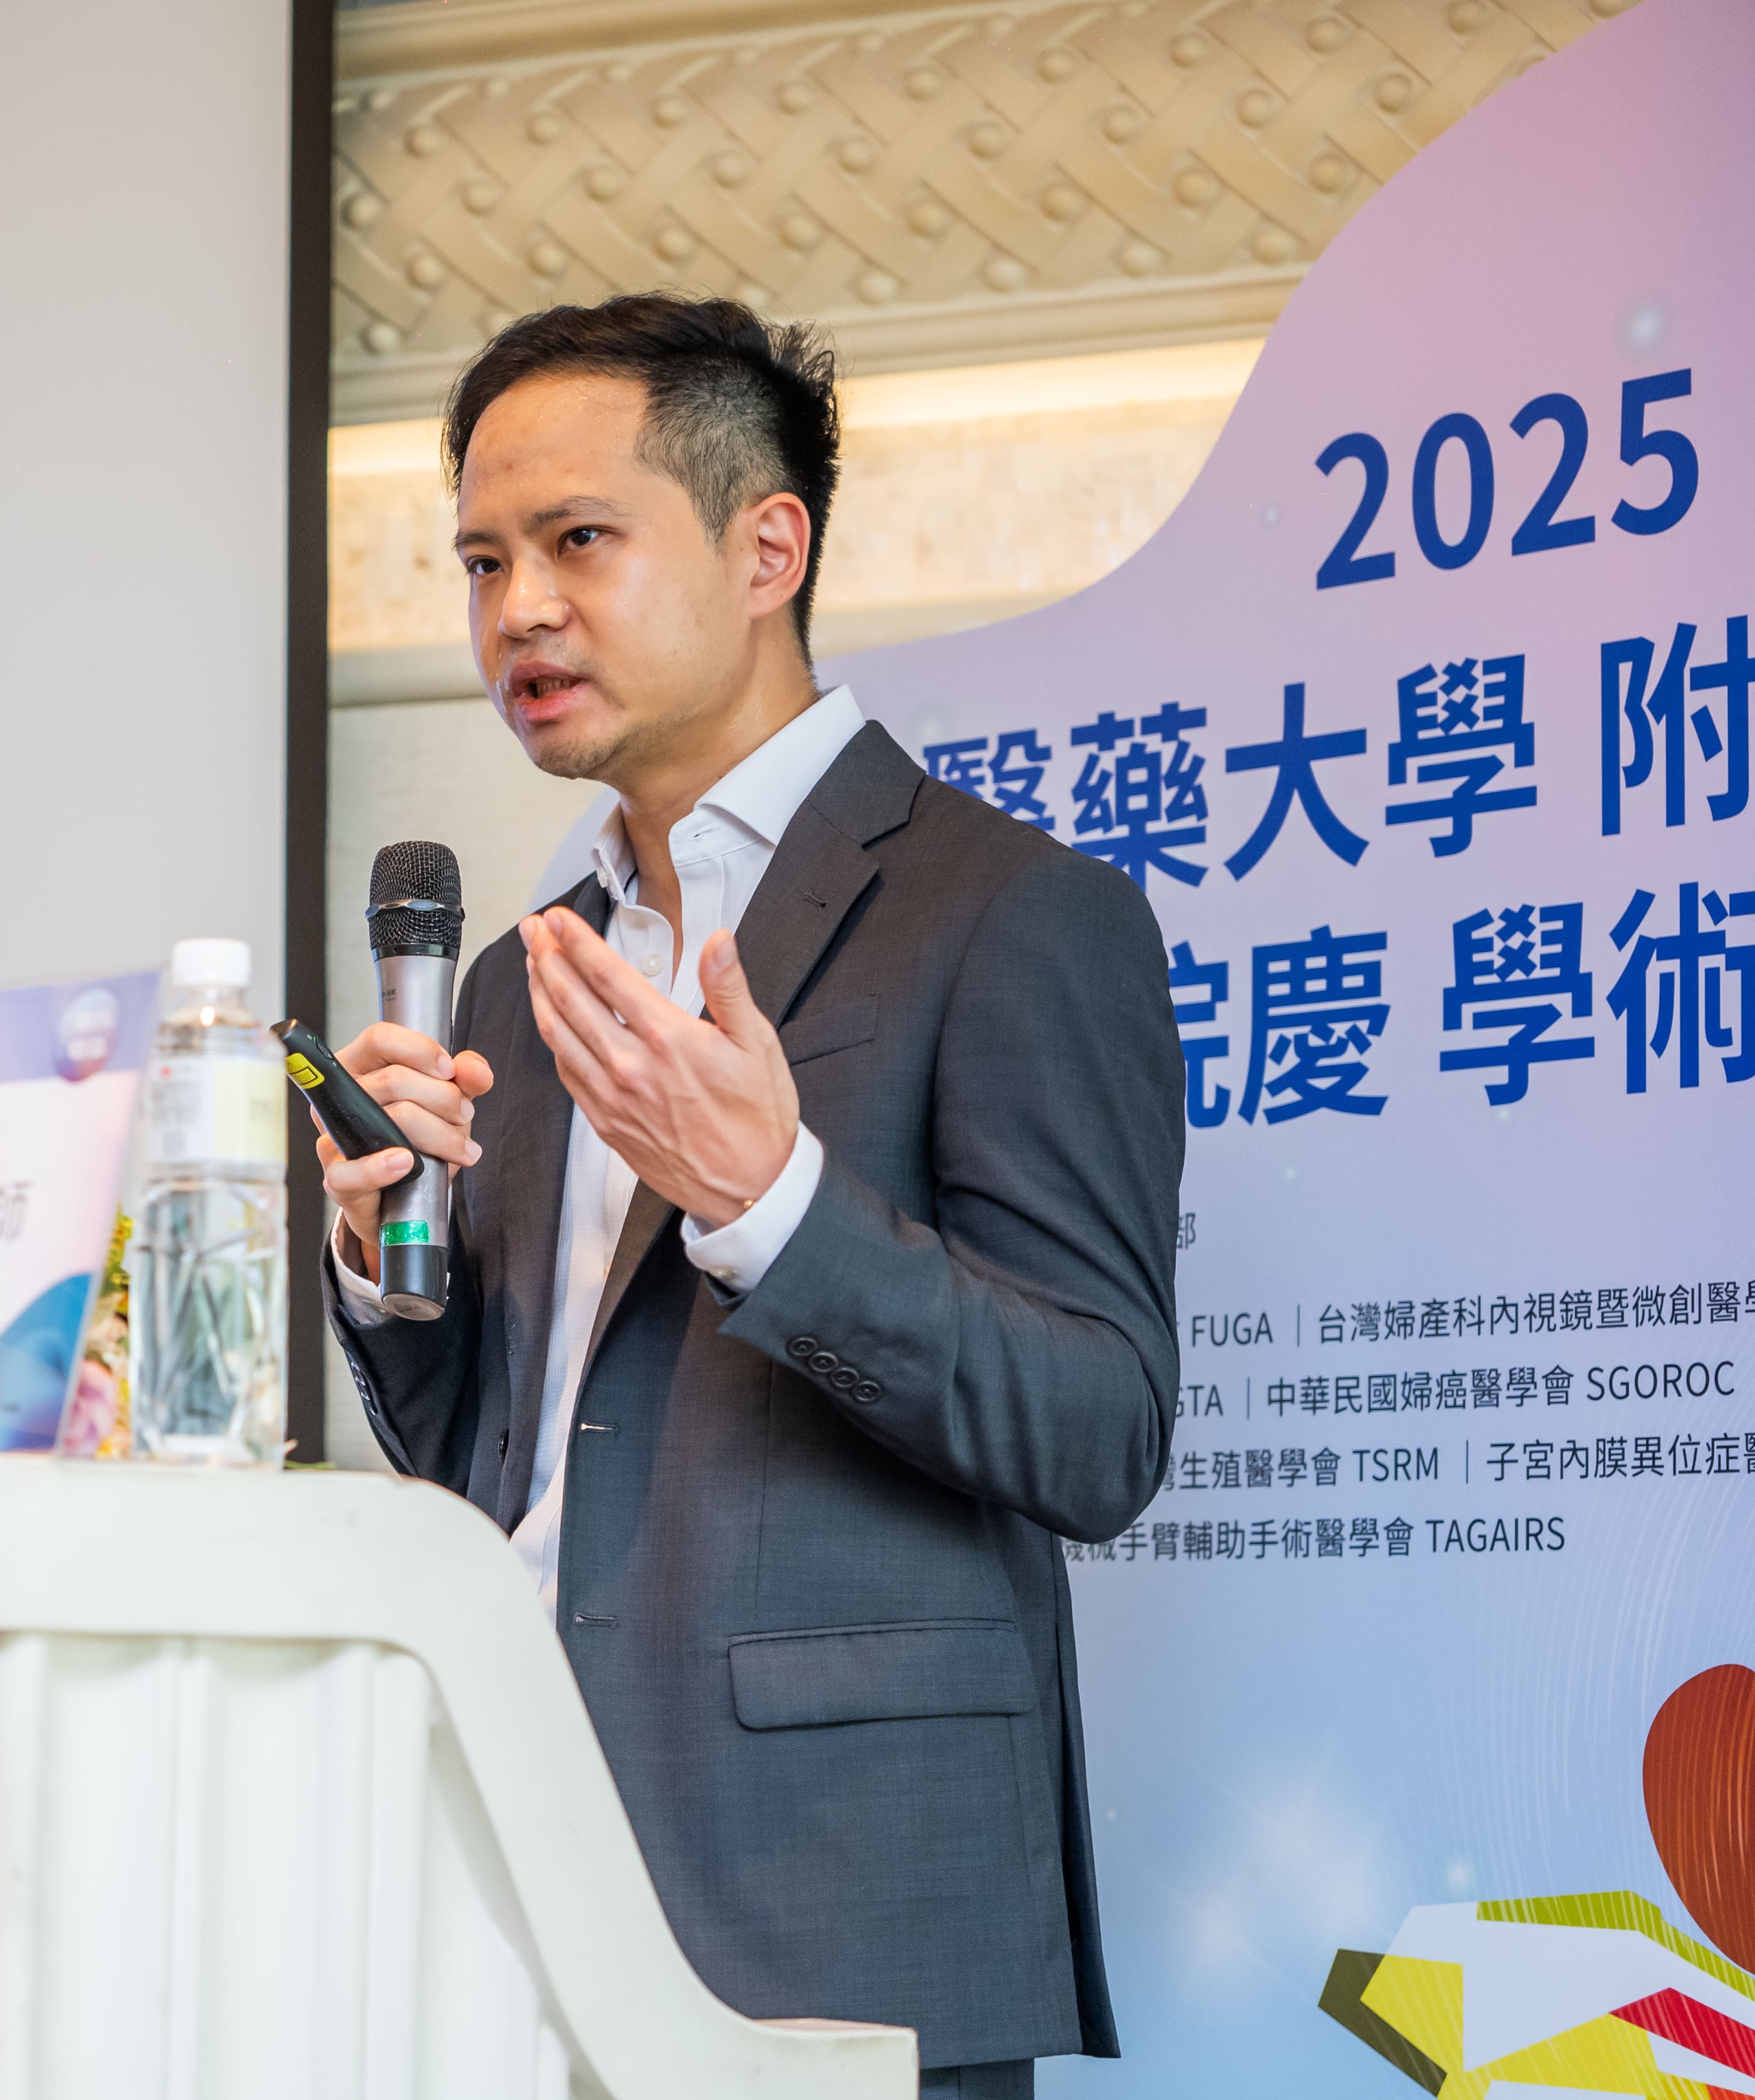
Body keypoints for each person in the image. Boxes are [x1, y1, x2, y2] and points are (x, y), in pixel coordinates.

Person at [319, 294, 1182, 2097]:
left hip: (834, 1909)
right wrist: (391, 1265)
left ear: (767, 547)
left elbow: (1099, 1424)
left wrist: (771, 1203)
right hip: (505, 1870)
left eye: (578, 540)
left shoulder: (1011, 913)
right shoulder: (520, 978)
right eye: (481, 561)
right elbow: (502, 1453)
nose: (517, 609)